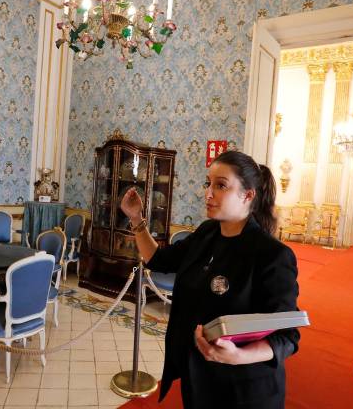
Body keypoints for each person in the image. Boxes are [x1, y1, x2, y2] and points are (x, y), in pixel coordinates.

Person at [120, 150, 300, 408]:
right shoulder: (206, 233)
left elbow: (287, 336)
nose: (208, 193)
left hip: (244, 389)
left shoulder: (272, 255)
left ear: (247, 195)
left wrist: (238, 355)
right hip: (199, 377)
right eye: (209, 183)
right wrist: (136, 218)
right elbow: (158, 260)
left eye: (221, 185)